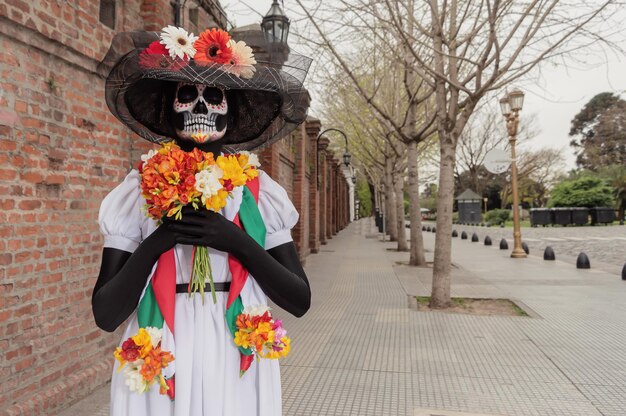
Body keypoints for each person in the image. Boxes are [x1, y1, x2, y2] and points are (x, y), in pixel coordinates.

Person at [92, 27, 312, 416]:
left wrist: (237, 242)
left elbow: (299, 300)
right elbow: (106, 314)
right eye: (186, 97)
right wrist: (160, 240)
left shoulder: (259, 193)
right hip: (161, 347)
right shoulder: (138, 192)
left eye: (213, 97)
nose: (199, 109)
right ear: (168, 109)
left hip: (237, 349)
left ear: (232, 110)